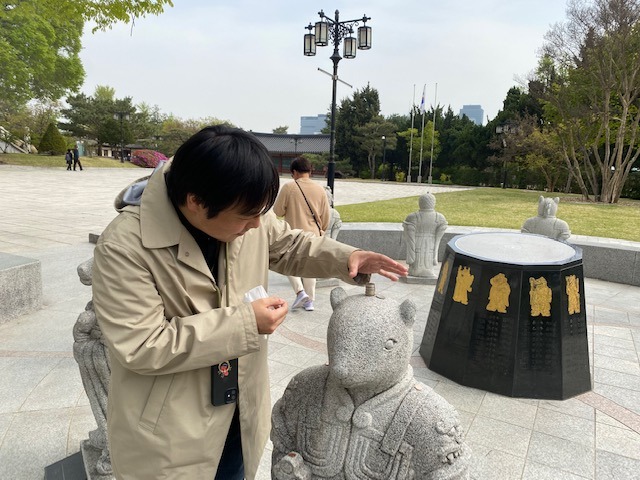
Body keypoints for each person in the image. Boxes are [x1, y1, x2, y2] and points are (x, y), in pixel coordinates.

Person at [91, 125, 407, 480]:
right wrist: (245, 323)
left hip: (239, 412)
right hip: (171, 433)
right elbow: (142, 344)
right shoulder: (125, 246)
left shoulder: (238, 202)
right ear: (195, 201)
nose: (258, 224)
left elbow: (289, 245)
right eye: (247, 217)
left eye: (262, 212)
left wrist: (346, 258)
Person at [273, 156, 330, 311]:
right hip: (314, 234)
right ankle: (309, 301)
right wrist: (321, 229)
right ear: (309, 171)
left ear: (294, 172)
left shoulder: (289, 187)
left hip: (293, 234)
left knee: (287, 263)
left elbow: (277, 211)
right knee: (309, 267)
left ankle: (300, 292)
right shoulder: (320, 189)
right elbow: (326, 215)